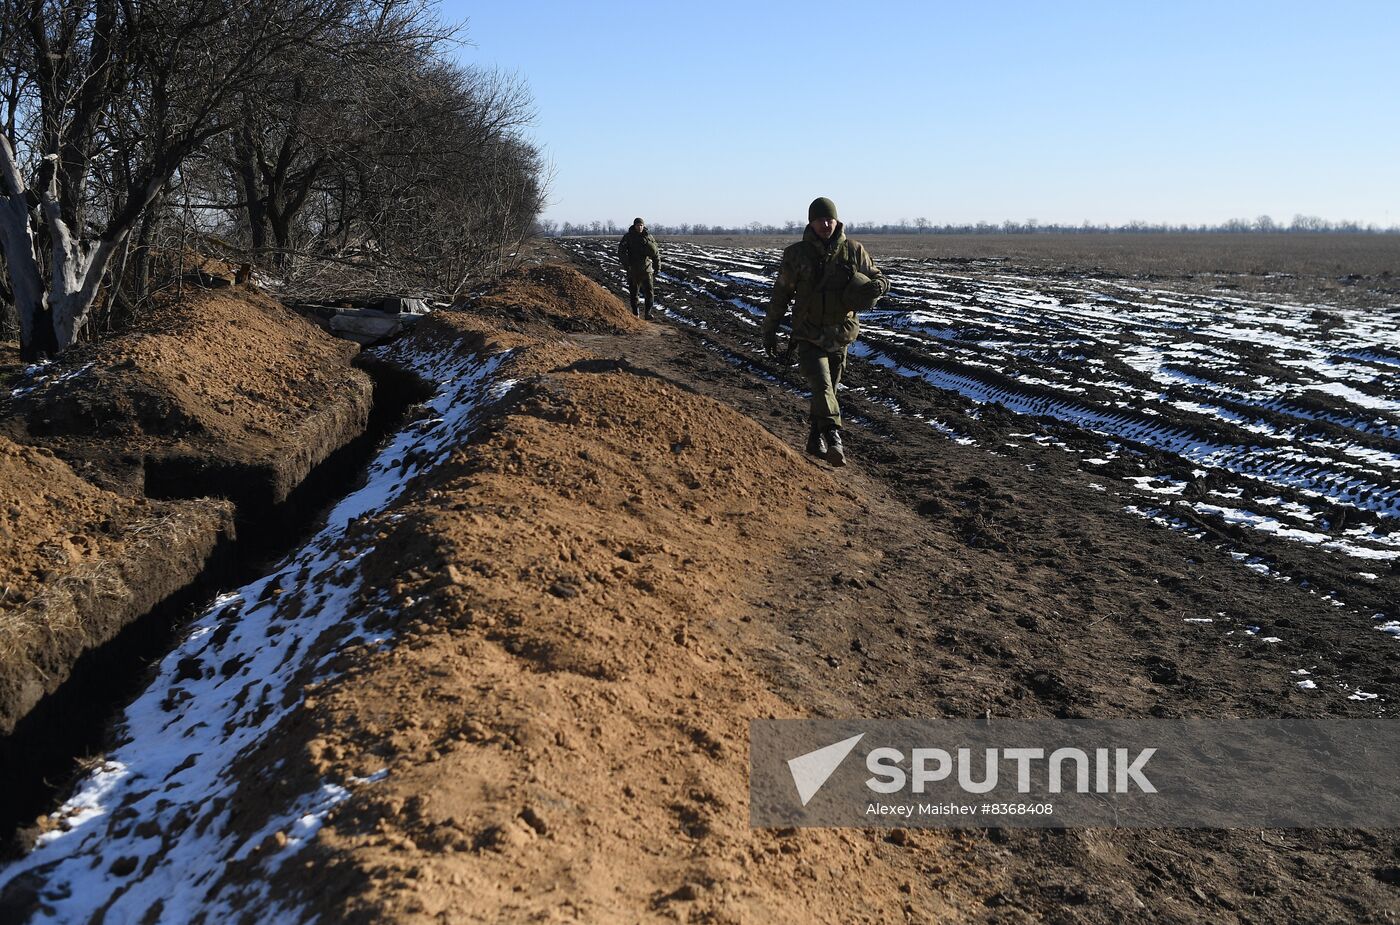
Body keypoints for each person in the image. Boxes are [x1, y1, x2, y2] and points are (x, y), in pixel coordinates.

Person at [761, 197, 888, 466]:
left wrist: (877, 287)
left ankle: (814, 436)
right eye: (820, 220)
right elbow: (781, 294)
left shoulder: (854, 250)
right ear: (811, 222)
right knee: (821, 385)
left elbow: (879, 277)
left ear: (837, 220)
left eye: (829, 219)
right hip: (807, 332)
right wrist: (770, 329)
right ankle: (833, 436)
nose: (826, 224)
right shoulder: (796, 254)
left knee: (829, 390)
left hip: (840, 335)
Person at [617, 217, 661, 319]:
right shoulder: (628, 237)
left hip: (647, 269)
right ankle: (635, 314)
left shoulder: (649, 237)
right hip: (634, 270)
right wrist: (627, 264)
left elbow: (656, 253)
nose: (640, 227)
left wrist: (657, 267)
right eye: (638, 225)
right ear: (634, 226)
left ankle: (648, 313)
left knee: (649, 292)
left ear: (643, 226)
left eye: (641, 225)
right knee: (634, 293)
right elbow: (621, 252)